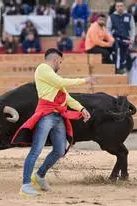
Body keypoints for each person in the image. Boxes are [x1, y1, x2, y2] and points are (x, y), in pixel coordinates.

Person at [12, 48, 95, 196]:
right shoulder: (43, 69)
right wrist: (84, 80)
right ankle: (25, 185)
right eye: (60, 62)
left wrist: (82, 109)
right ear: (56, 59)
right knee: (36, 150)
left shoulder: (52, 78)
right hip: (46, 115)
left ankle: (39, 175)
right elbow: (61, 81)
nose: (60, 65)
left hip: (58, 117)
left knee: (59, 150)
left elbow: (67, 98)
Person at [107, 0, 136, 74]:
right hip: (116, 41)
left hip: (126, 41)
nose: (120, 8)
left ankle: (124, 72)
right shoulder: (111, 17)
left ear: (124, 7)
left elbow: (133, 29)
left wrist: (132, 40)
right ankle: (117, 71)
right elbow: (108, 30)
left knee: (126, 58)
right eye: (118, 6)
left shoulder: (129, 16)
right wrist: (111, 39)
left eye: (121, 6)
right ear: (115, 7)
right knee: (117, 55)